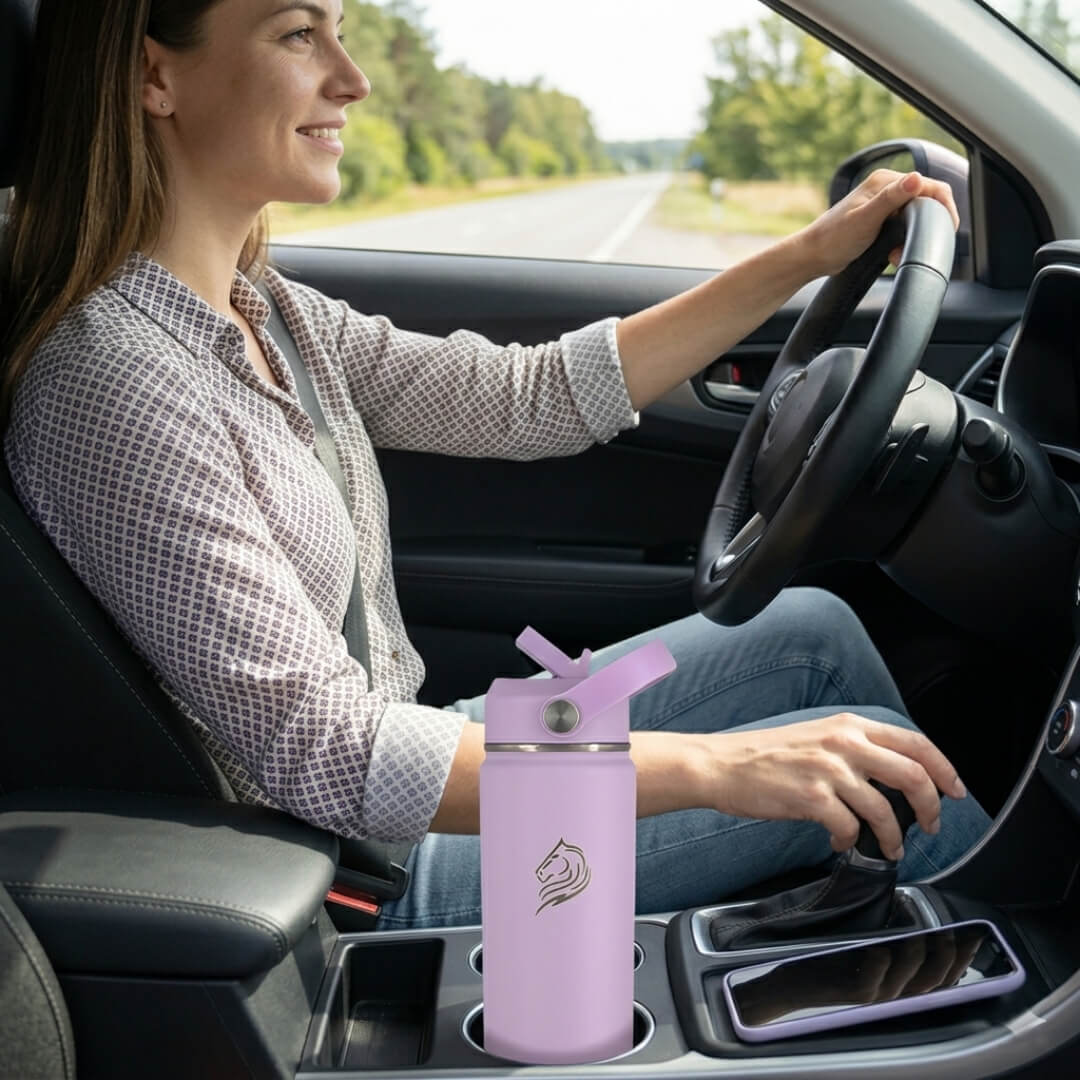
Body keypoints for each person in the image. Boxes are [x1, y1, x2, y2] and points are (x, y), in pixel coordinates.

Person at [0, 0, 988, 931]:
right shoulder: (115, 381)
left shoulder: (266, 310)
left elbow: (532, 397)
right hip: (365, 870)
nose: (353, 79)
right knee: (870, 763)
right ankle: (1009, 985)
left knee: (812, 631)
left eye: (341, 30)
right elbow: (328, 751)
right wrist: (717, 768)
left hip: (408, 766)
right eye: (299, 34)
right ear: (155, 77)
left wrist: (811, 254)